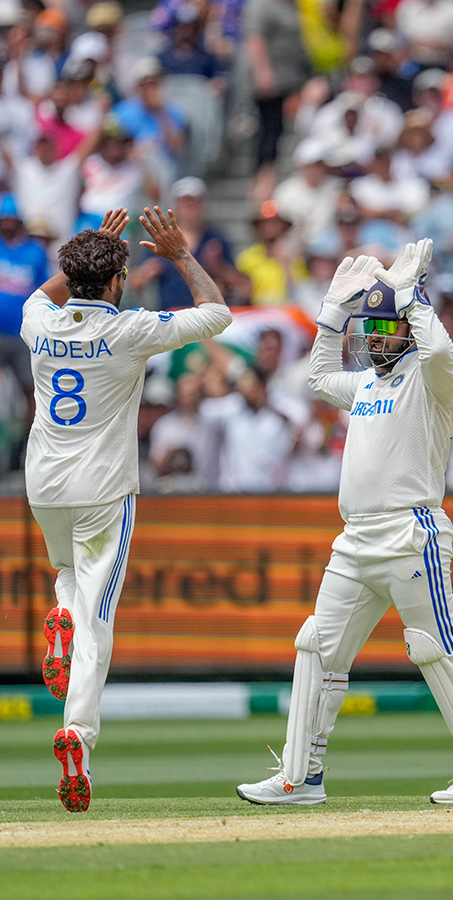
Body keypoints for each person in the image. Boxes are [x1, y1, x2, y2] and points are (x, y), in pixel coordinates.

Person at [236, 239, 453, 806]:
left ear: (407, 328)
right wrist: (333, 314)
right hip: (356, 538)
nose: (374, 338)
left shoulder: (433, 377)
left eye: (384, 327)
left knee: (436, 648)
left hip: (411, 533)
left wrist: (410, 297)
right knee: (317, 645)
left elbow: (439, 350)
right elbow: (316, 378)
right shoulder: (367, 382)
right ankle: (301, 776)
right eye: (370, 329)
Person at [26, 207, 232, 812]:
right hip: (103, 489)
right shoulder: (128, 330)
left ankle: (61, 617)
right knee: (98, 621)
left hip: (44, 485)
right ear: (118, 281)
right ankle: (78, 736)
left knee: (67, 579)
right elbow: (217, 312)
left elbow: (45, 291)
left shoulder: (37, 324)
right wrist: (180, 256)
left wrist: (93, 250)